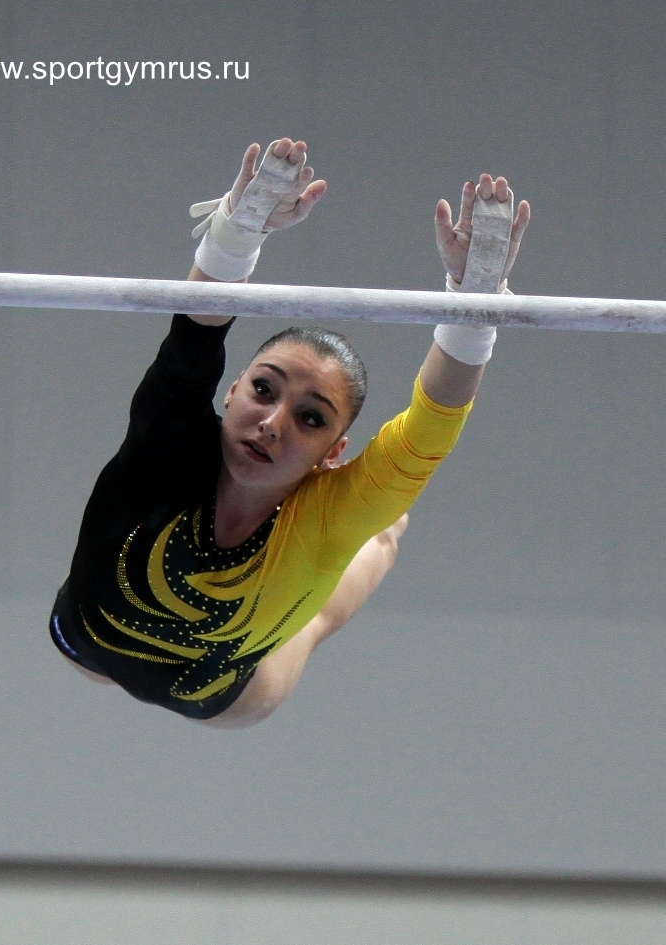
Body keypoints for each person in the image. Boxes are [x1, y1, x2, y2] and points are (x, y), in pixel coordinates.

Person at [50, 137, 530, 728]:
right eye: (263, 389)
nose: (273, 423)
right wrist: (238, 229)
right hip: (83, 644)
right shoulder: (167, 442)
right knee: (369, 514)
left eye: (311, 418)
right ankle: (380, 509)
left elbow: (429, 431)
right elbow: (193, 333)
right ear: (232, 390)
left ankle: (384, 523)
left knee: (369, 538)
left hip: (226, 697)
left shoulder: (326, 518)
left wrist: (474, 308)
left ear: (334, 451)